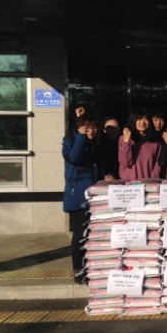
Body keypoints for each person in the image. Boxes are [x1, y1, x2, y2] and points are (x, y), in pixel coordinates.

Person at [62, 110, 112, 281]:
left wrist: (109, 175)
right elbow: (75, 158)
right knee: (80, 236)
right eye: (87, 127)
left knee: (96, 235)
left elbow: (104, 166)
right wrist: (81, 136)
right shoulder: (70, 142)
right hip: (78, 199)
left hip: (97, 198)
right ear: (79, 128)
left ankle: (94, 268)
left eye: (93, 127)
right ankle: (79, 271)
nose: (91, 130)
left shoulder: (97, 145)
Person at [118, 109, 162, 179]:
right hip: (128, 182)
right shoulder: (123, 138)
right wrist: (126, 141)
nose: (142, 122)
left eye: (146, 119)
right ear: (133, 121)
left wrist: (153, 178)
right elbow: (126, 162)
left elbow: (158, 163)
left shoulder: (155, 141)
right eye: (139, 119)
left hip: (148, 182)